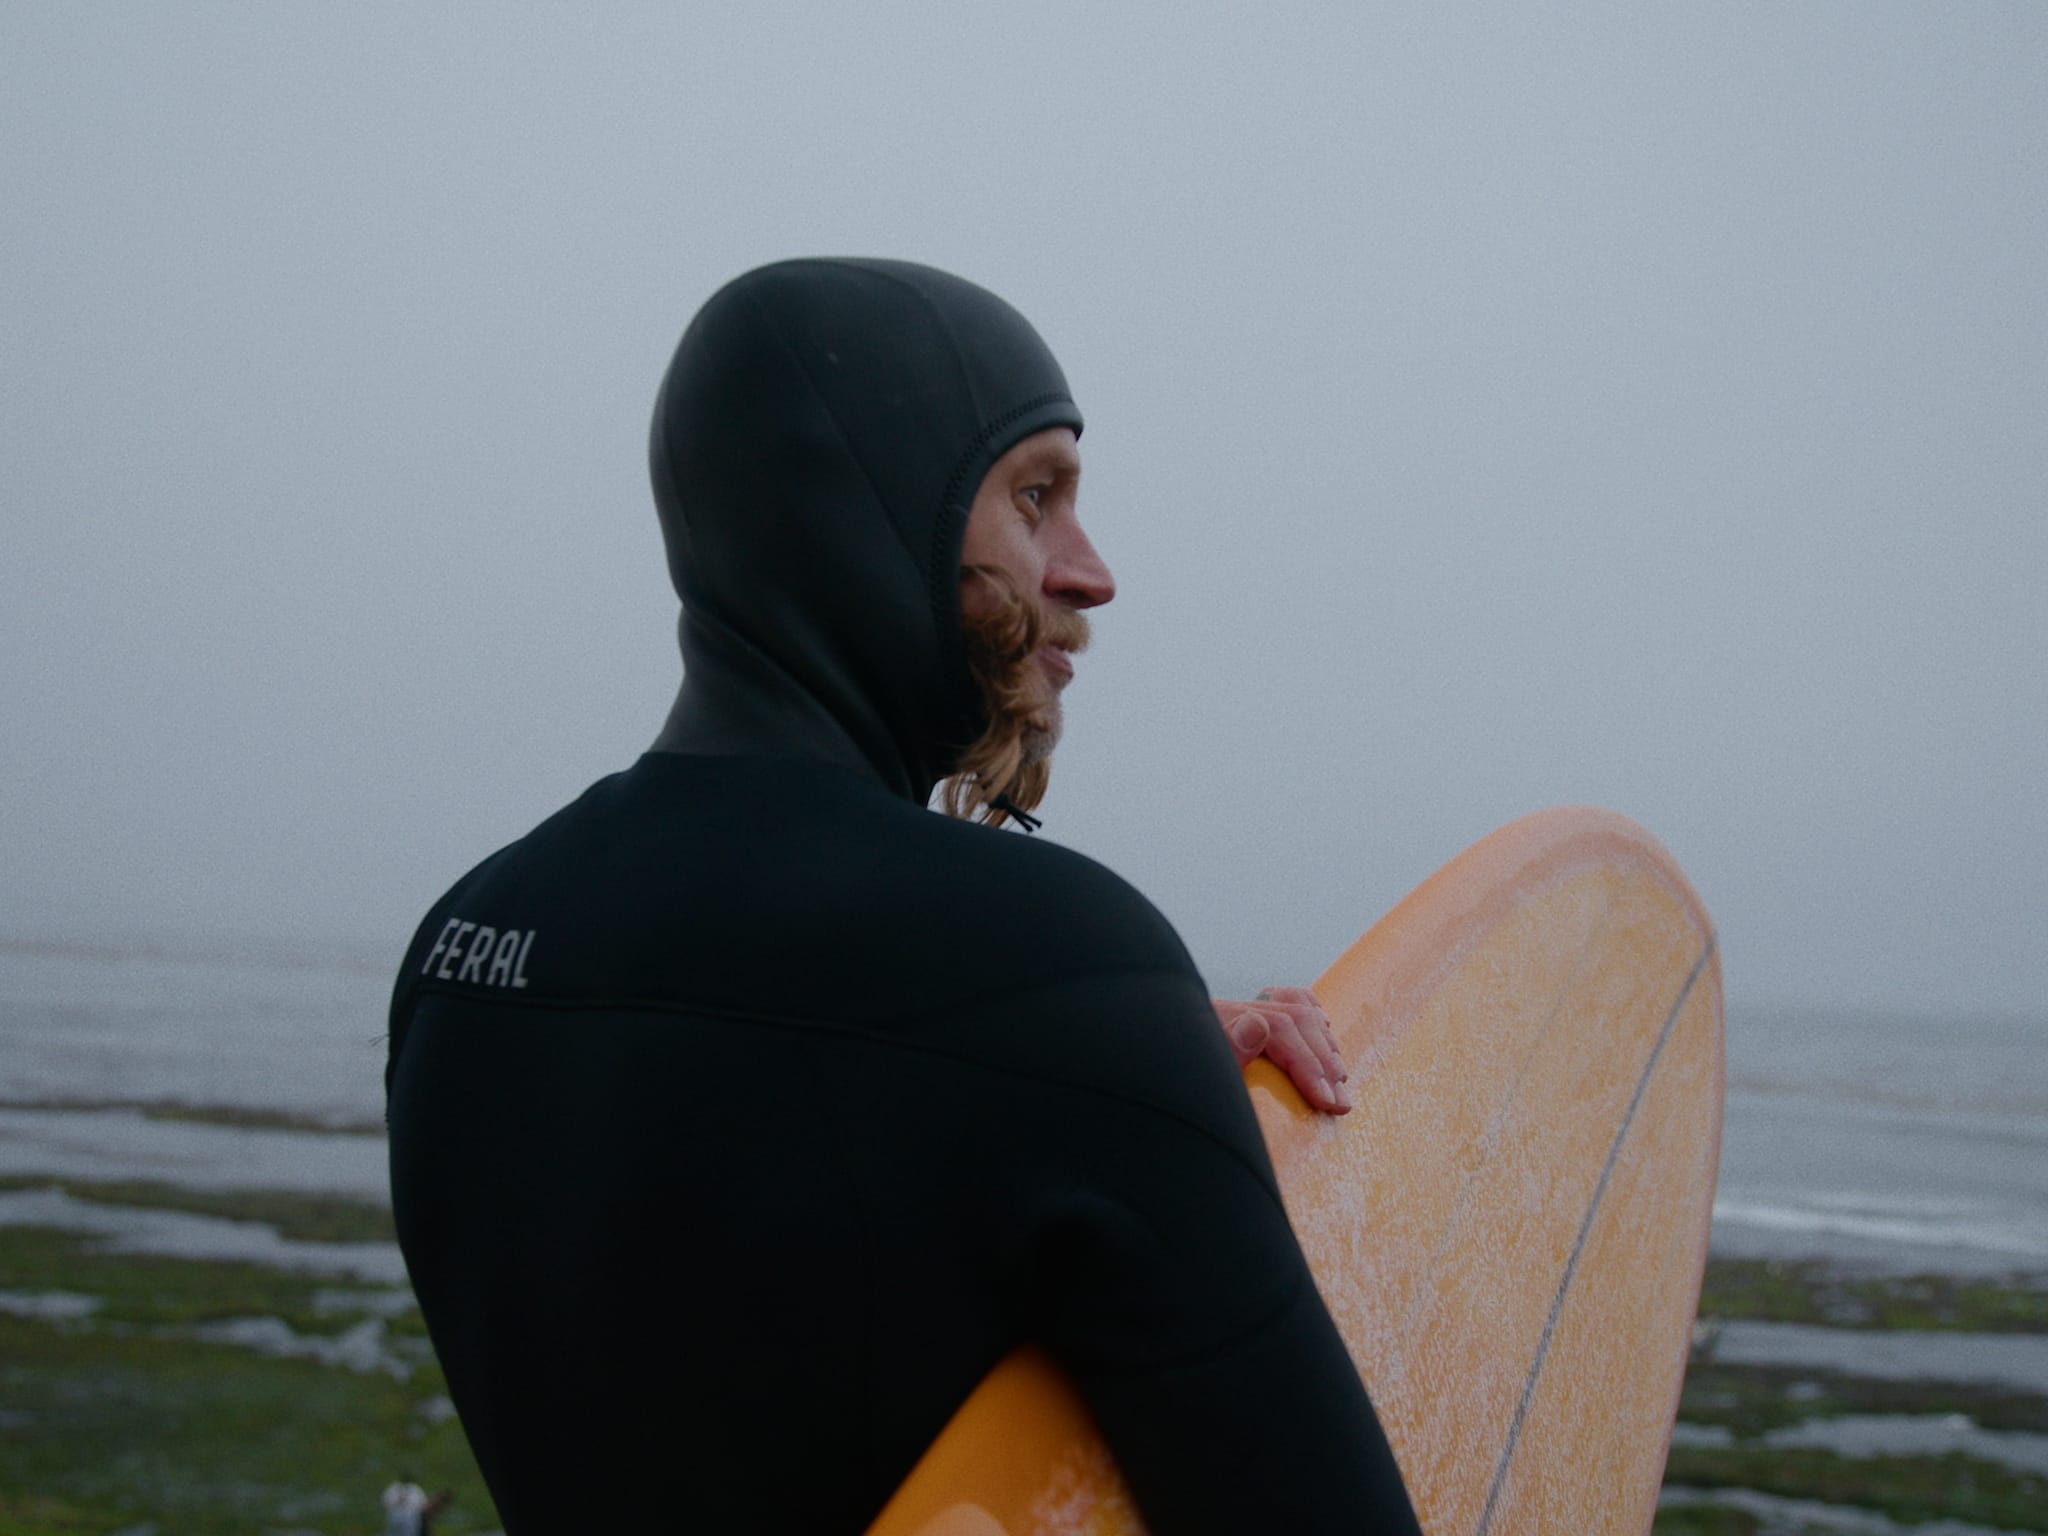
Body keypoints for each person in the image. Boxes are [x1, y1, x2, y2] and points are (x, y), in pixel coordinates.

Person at [386, 258, 1418, 1533]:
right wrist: (1102, 1047)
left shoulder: (458, 957)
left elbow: (753, 1182)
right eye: (1033, 497)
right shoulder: (1057, 969)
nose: (1089, 573)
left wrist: (1116, 1067)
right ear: (864, 513)